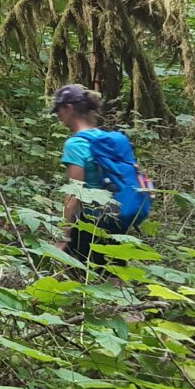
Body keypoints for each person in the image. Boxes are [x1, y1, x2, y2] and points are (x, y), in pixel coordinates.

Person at [51, 84, 151, 264]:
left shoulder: (76, 144)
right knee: (114, 272)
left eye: (59, 110)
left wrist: (63, 236)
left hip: (92, 219)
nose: (58, 115)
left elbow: (75, 193)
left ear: (69, 108)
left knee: (75, 272)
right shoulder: (112, 140)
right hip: (118, 214)